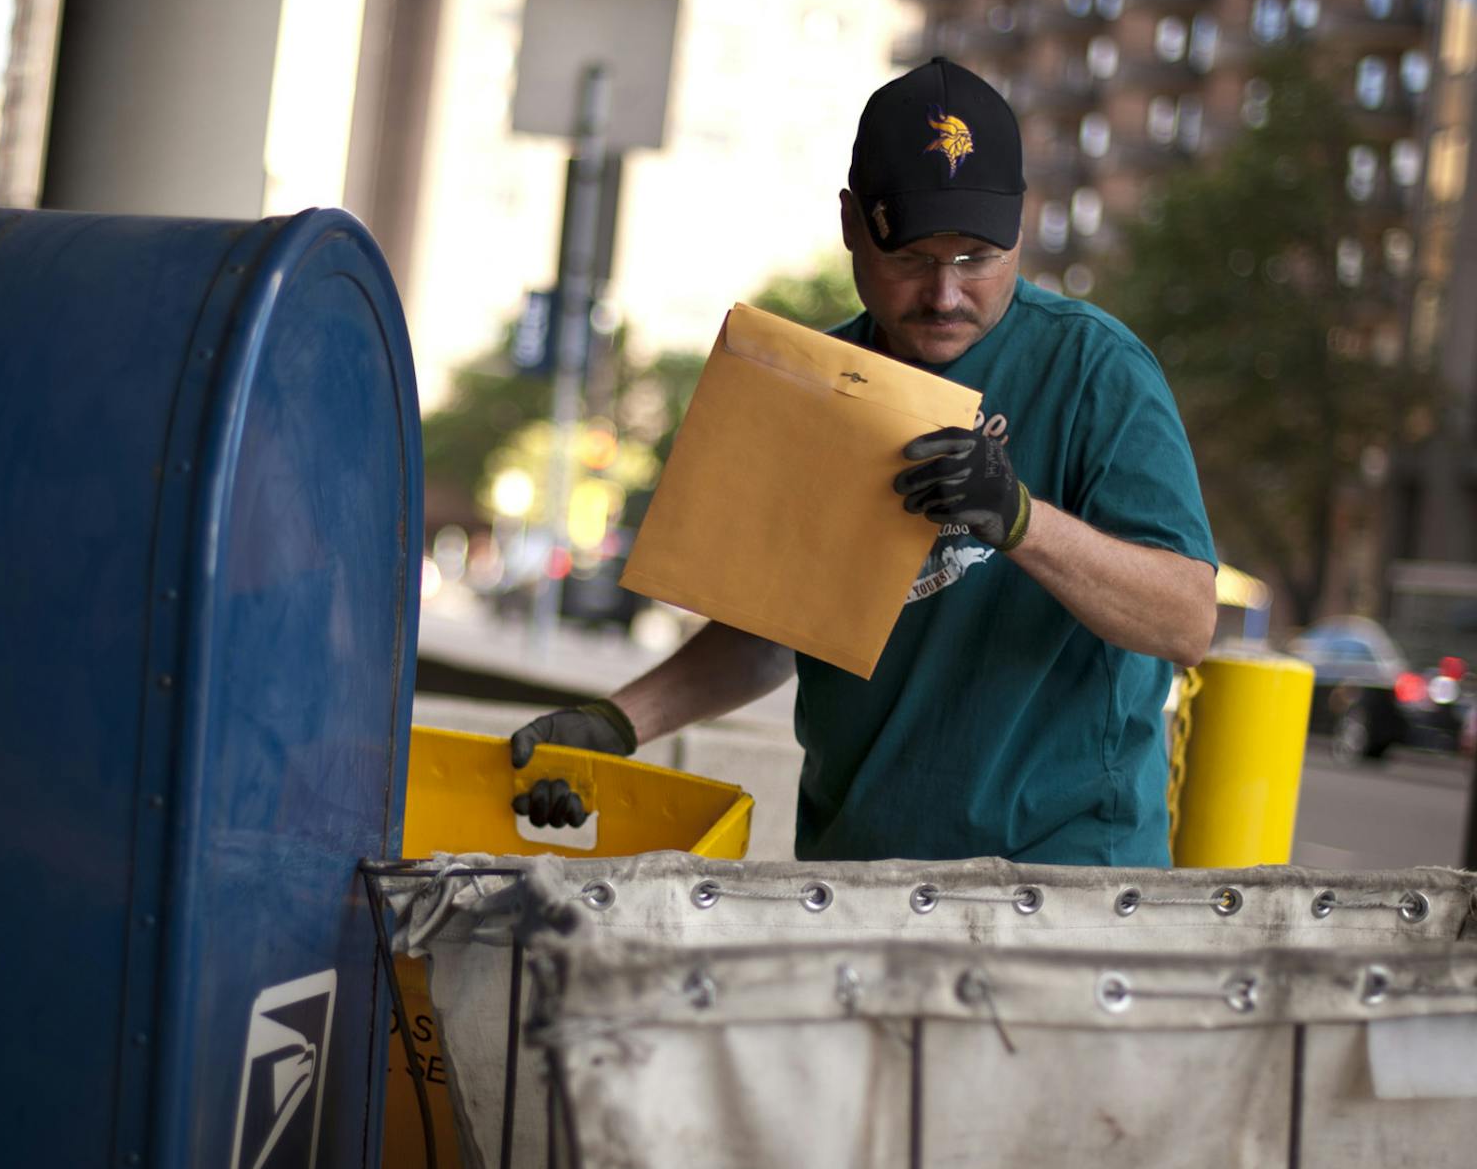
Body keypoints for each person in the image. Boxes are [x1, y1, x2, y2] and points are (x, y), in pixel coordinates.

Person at [511, 57, 1218, 866]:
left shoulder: (1098, 371)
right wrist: (618, 721)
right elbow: (770, 635)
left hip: (1068, 883)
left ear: (1022, 228)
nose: (946, 294)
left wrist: (1020, 519)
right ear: (852, 223)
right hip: (859, 873)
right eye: (914, 257)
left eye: (978, 258)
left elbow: (1186, 620)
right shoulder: (812, 386)